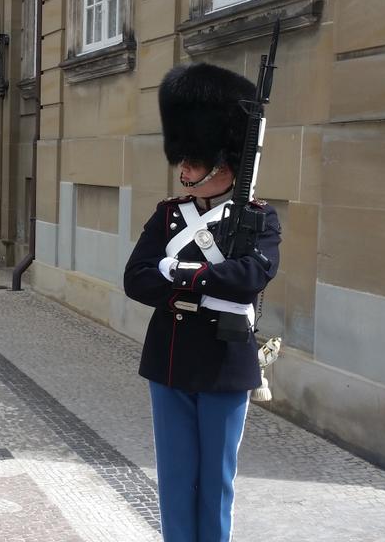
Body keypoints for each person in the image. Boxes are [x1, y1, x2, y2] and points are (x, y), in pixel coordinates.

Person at [123, 62, 282, 542]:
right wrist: (196, 277)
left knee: (216, 483)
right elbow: (137, 278)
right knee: (174, 479)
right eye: (183, 158)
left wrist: (181, 275)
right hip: (169, 362)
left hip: (223, 363)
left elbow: (252, 276)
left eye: (194, 159)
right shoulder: (169, 216)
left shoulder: (258, 218)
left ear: (225, 161)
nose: (184, 168)